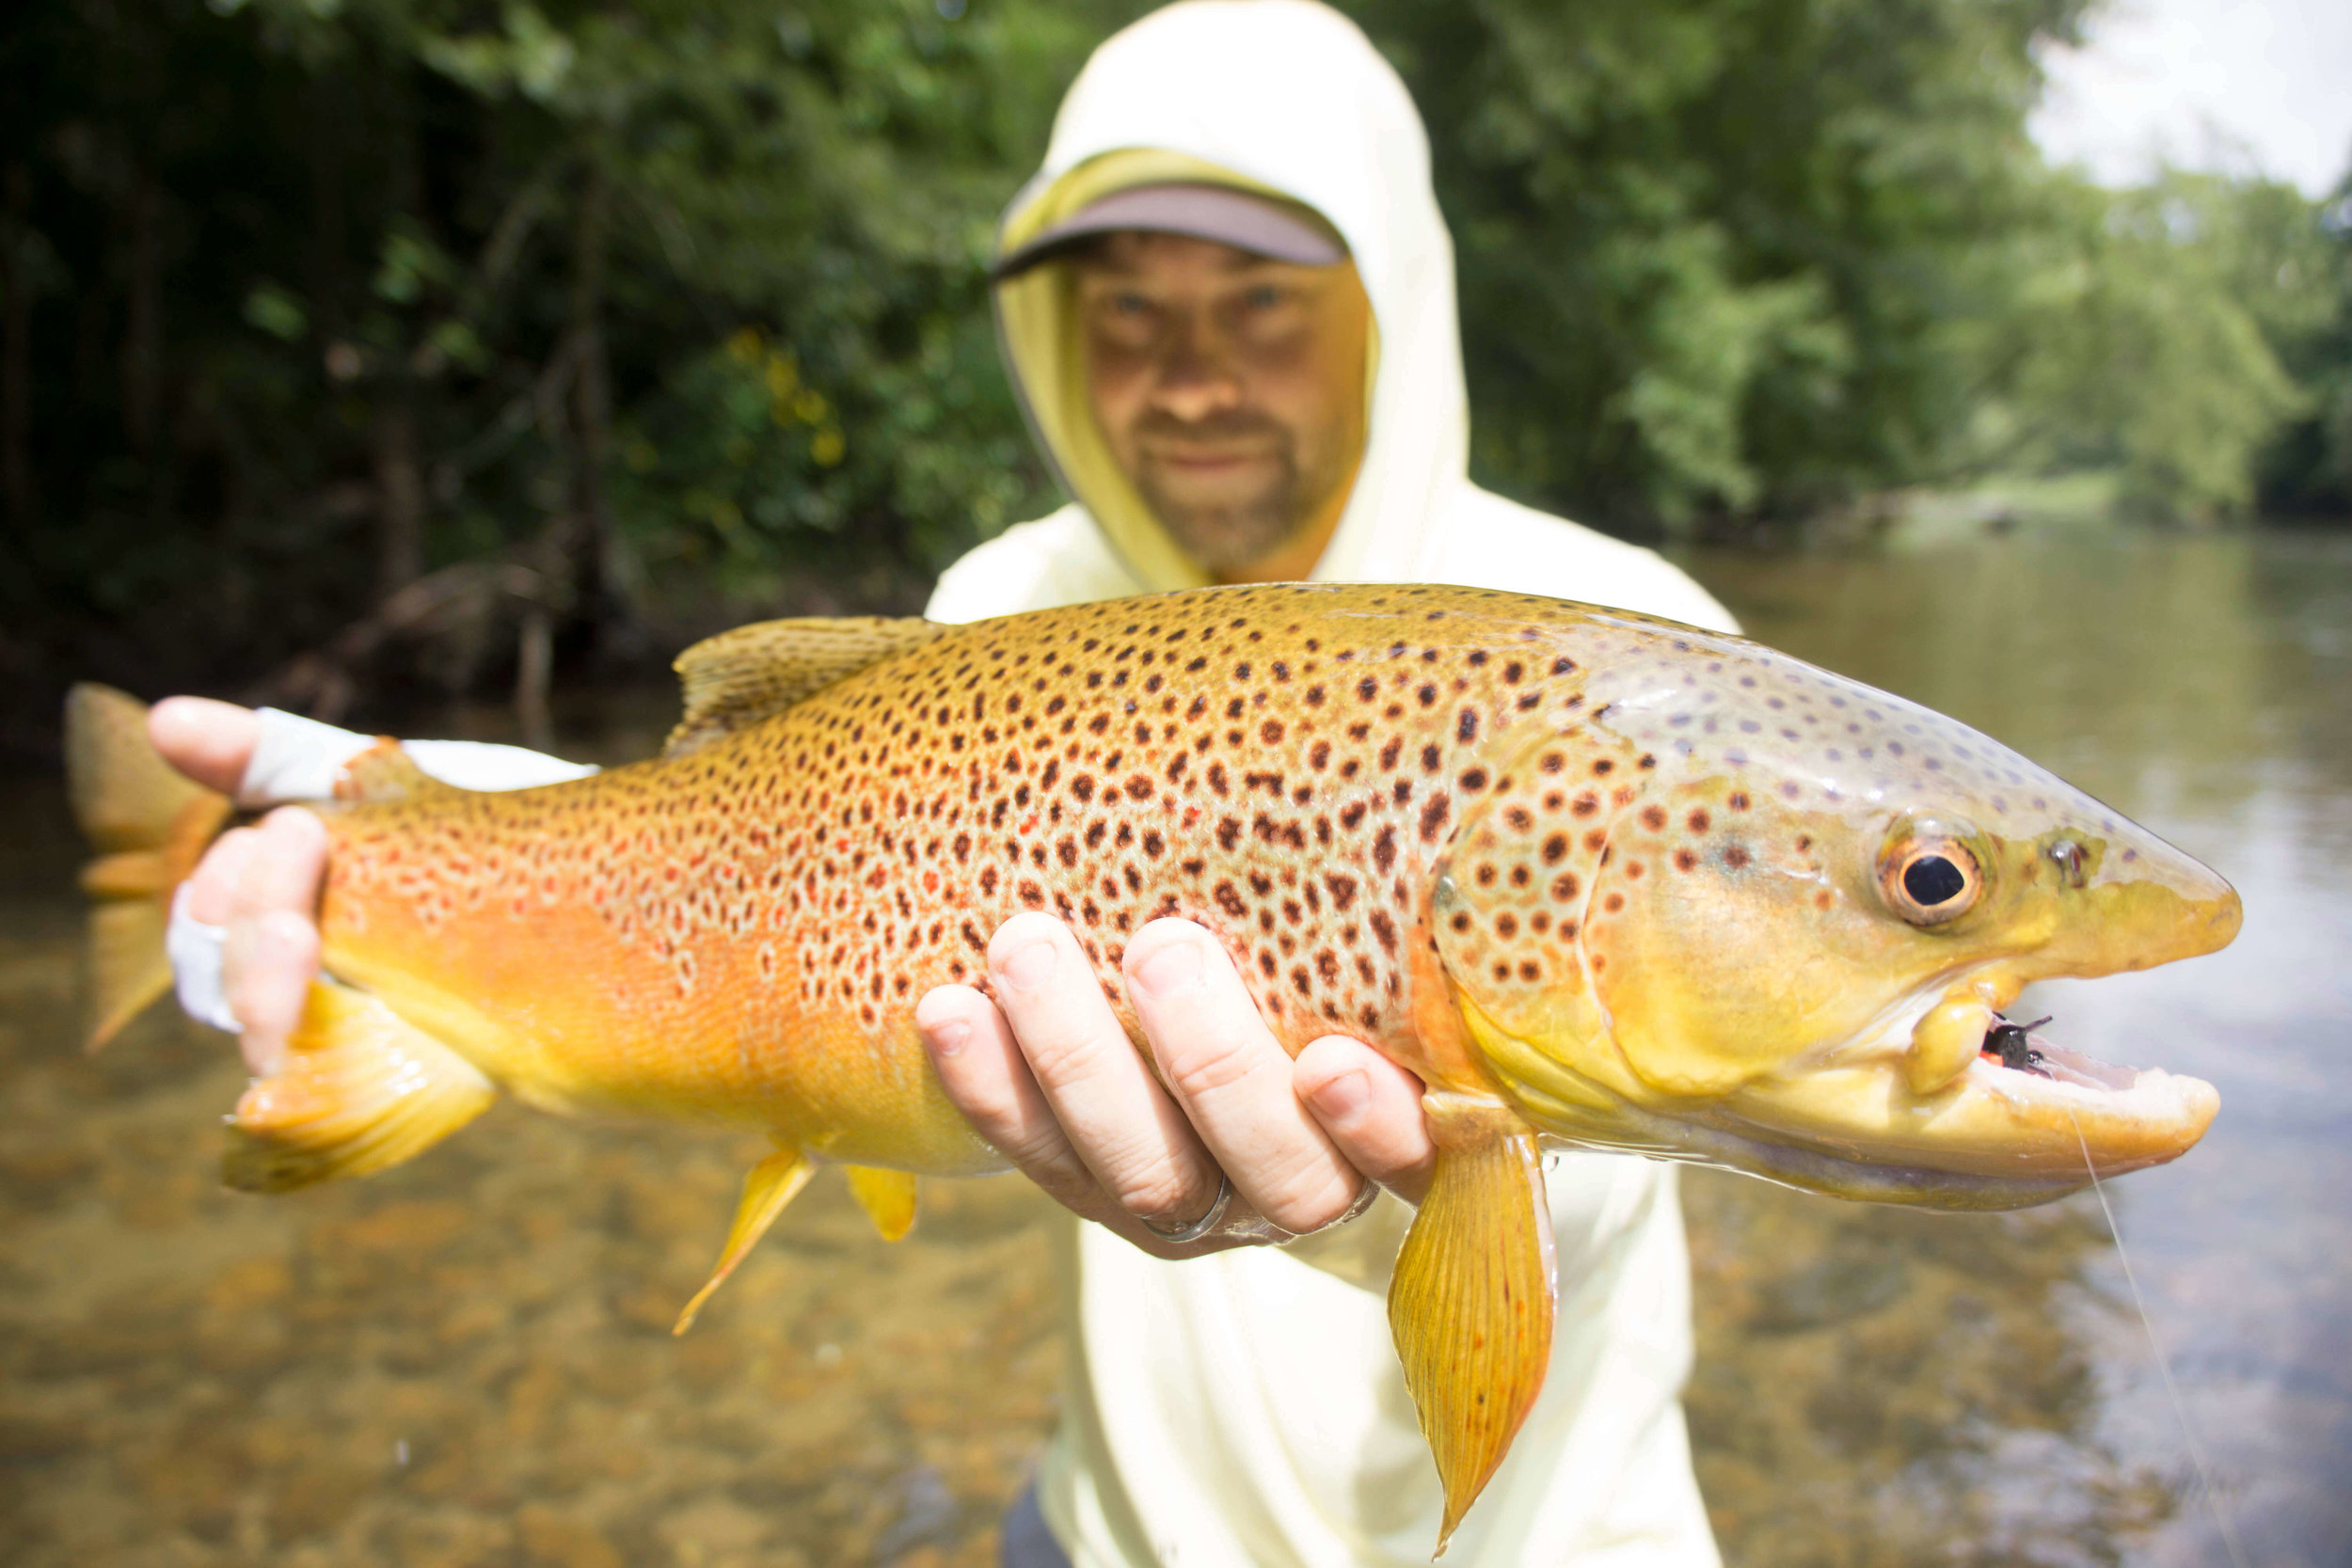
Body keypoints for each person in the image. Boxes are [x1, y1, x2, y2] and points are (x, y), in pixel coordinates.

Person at [152, 4, 1736, 1562]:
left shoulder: (1632, 646)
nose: (1187, 380)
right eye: (1126, 314)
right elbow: (776, 866)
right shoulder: (1009, 598)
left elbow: (1695, 1114)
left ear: (1390, 296)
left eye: (1258, 304)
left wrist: (1428, 1166)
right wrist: (443, 834)